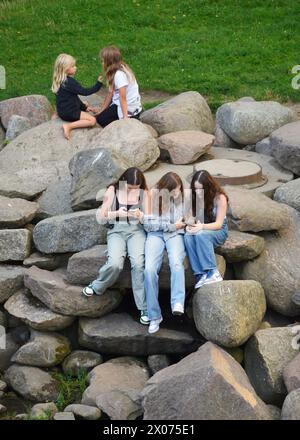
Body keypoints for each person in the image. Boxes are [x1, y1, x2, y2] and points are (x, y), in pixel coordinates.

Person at [82, 167, 151, 325]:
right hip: (117, 231)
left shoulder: (145, 193)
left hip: (136, 232)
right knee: (114, 264)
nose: (133, 190)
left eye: (136, 188)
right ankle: (98, 285)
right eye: (130, 187)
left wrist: (142, 216)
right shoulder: (112, 190)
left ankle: (144, 308)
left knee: (139, 264)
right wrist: (117, 213)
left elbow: (149, 219)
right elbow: (101, 216)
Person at [143, 172, 187, 334]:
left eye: (179, 189)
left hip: (175, 236)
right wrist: (170, 225)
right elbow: (148, 226)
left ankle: (177, 302)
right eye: (174, 190)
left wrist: (169, 225)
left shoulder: (182, 199)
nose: (177, 193)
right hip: (156, 235)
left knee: (176, 262)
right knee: (149, 270)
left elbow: (183, 221)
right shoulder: (152, 197)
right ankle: (154, 315)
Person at [184, 170, 228, 289]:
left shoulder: (220, 198)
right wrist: (190, 224)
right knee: (187, 237)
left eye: (200, 189)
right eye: (195, 189)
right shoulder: (194, 196)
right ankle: (200, 274)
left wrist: (201, 227)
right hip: (201, 227)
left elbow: (218, 224)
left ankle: (212, 271)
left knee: (200, 235)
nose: (198, 192)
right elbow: (190, 217)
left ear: (209, 187)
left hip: (218, 231)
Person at [52, 53, 103, 139]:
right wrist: (98, 84)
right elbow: (85, 92)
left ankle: (82, 108)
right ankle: (69, 126)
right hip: (70, 113)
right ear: (65, 69)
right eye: (73, 66)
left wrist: (84, 107)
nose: (75, 67)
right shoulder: (70, 82)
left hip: (62, 111)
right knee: (92, 120)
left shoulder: (59, 81)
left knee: (85, 103)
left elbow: (73, 97)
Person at [95, 46, 142, 127]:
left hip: (129, 107)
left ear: (109, 62)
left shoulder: (119, 75)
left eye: (103, 61)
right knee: (100, 116)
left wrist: (125, 117)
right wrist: (102, 110)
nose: (101, 63)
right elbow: (110, 93)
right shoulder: (119, 69)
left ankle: (131, 117)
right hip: (124, 104)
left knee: (101, 120)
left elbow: (122, 97)